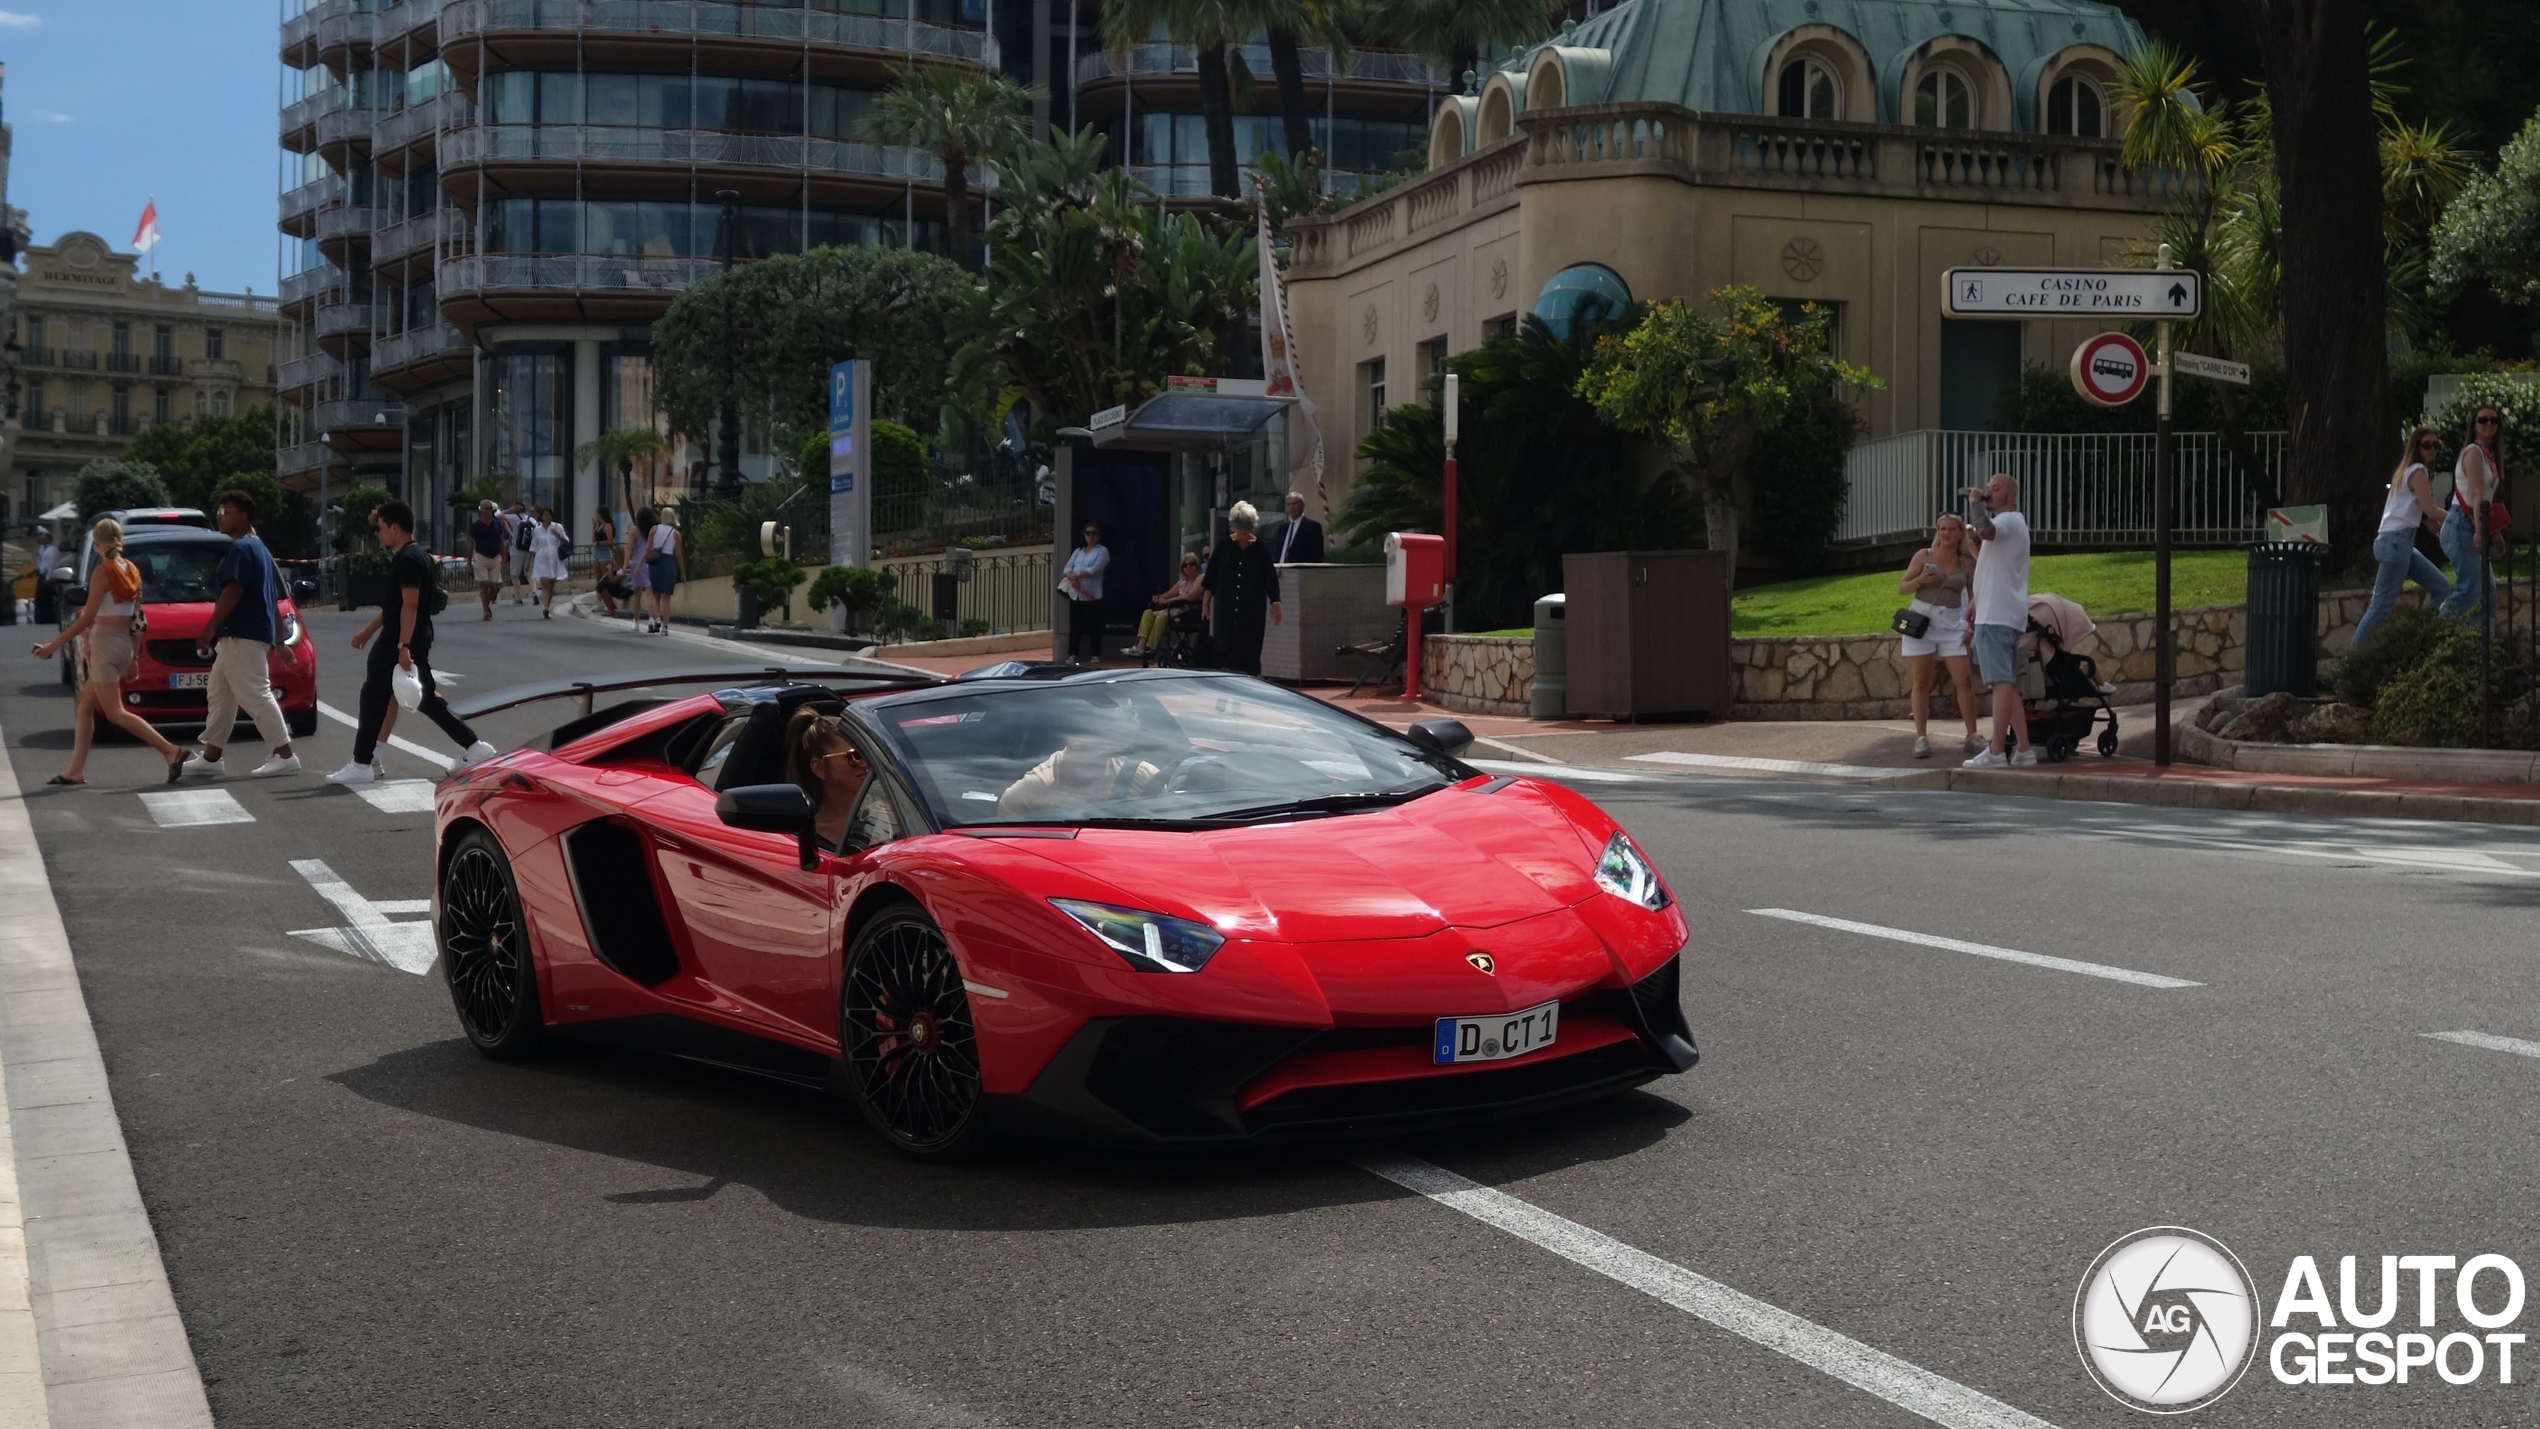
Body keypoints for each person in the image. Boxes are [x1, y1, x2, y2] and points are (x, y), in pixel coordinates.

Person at [330, 500, 498, 783]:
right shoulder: (418, 556)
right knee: (424, 698)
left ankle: (362, 764)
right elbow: (396, 605)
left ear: (395, 527)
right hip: (410, 637)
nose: (378, 534)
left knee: (374, 697)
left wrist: (402, 646)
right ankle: (475, 746)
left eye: (381, 528)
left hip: (401, 640)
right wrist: (369, 631)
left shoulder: (408, 559)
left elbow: (410, 605)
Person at [30, 517, 186, 785]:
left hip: (104, 644)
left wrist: (52, 646)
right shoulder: (132, 569)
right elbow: (138, 617)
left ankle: (170, 751)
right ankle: (74, 771)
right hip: (124, 644)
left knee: (115, 712)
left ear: (99, 543)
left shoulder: (103, 571)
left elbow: (86, 617)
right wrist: (134, 656)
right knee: (84, 705)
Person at [181, 490, 300, 779]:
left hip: (240, 635)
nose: (220, 516)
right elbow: (270, 598)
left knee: (256, 694)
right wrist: (279, 642)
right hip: (241, 636)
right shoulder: (259, 548)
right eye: (220, 511)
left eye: (227, 511)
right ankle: (211, 758)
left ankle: (285, 755)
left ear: (244, 516)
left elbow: (234, 590)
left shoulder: (241, 550)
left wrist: (209, 627)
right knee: (221, 695)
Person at [2354, 424, 2455, 650]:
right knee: (2380, 605)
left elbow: (2420, 515)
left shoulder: (2404, 472)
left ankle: (2422, 641)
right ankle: (2353, 662)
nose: (2432, 450)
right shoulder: (2418, 471)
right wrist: (2461, 518)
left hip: (2399, 543)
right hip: (2396, 543)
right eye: (2427, 445)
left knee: (2440, 587)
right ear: (2415, 447)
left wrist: (2434, 522)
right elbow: (2430, 509)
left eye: (2435, 445)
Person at [1963, 474, 2036, 769]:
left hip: (1997, 616)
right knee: (2005, 684)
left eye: (1996, 489)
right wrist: (1975, 601)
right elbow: (1993, 569)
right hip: (1998, 612)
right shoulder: (2013, 525)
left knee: (2001, 682)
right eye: (1988, 488)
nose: (1989, 492)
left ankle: (1995, 751)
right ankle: (2024, 749)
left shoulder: (2007, 521)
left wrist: (1975, 504)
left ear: (2010, 496)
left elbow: (1984, 530)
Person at [1896, 512, 1981, 760]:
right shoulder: (1925, 555)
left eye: (1952, 530)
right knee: (1921, 681)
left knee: (1963, 679)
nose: (1946, 534)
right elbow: (1902, 587)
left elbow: (1976, 594)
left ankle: (1972, 735)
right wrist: (1920, 580)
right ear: (1938, 532)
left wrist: (1970, 626)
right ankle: (1921, 737)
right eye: (1942, 529)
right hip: (1923, 622)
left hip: (1953, 623)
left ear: (1960, 534)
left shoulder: (1967, 562)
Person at [1203, 501, 1282, 676]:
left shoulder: (1260, 550)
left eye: (1246, 532)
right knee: (1224, 651)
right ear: (1233, 529)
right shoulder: (1223, 547)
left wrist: (1275, 602)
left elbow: (1270, 578)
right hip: (1226, 609)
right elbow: (1211, 578)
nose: (1243, 536)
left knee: (1249, 652)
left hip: (1251, 611)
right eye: (1239, 532)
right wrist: (1205, 603)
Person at [2440, 405, 2502, 628]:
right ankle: (2435, 630)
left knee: (2488, 592)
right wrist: (2479, 530)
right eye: (2483, 420)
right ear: (2474, 425)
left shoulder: (2489, 455)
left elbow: (2486, 499)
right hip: (2462, 525)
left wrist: (2494, 532)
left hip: (2474, 523)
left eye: (2493, 420)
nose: (2488, 424)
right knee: (2470, 590)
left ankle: (2482, 649)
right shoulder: (2474, 452)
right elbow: (2476, 493)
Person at [785, 707, 871, 852]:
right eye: (854, 756)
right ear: (820, 768)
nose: (864, 763)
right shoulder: (805, 837)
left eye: (866, 753)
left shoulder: (892, 815)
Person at [1130, 552, 1205, 657]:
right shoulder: (1182, 581)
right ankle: (1141, 646)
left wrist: (1168, 601)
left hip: (1190, 611)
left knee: (1161, 617)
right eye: (1185, 565)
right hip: (1176, 609)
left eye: (1191, 564)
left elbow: (1190, 596)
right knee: (1148, 613)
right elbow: (1170, 593)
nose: (1188, 567)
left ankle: (1150, 648)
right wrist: (1160, 598)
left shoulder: (1201, 578)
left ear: (1197, 566)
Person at [1059, 522, 1110, 663]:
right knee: (1075, 626)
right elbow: (1067, 569)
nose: (1091, 536)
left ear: (1099, 536)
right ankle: (1073, 653)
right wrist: (1073, 578)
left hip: (1092, 595)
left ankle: (1095, 654)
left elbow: (1093, 570)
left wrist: (1075, 576)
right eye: (1088, 533)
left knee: (1094, 626)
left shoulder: (1102, 552)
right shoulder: (1078, 551)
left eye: (1094, 533)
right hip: (1075, 594)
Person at [640, 506, 682, 635]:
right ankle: (665, 627)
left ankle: (656, 618)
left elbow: (647, 548)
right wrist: (683, 572)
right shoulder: (675, 534)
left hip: (655, 564)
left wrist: (639, 564)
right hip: (668, 563)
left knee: (655, 594)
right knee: (666, 597)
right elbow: (679, 555)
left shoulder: (654, 529)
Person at [527, 504, 570, 618]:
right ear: (541, 516)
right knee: (545, 582)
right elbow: (533, 546)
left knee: (551, 584)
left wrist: (558, 535)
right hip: (542, 558)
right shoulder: (537, 530)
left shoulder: (557, 527)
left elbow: (565, 541)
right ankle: (545, 607)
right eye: (545, 515)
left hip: (554, 558)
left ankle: (547, 605)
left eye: (549, 515)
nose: (547, 517)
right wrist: (529, 561)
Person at [468, 499, 507, 621]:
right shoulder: (476, 526)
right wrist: (468, 562)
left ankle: (487, 603)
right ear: (481, 510)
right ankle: (485, 609)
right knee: (484, 583)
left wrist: (504, 558)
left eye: (491, 508)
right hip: (481, 556)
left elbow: (501, 541)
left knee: (494, 586)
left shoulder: (496, 524)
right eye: (486, 508)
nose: (489, 511)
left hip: (495, 557)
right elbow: (470, 544)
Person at [624, 507, 655, 626]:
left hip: (637, 563)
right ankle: (652, 618)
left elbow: (629, 548)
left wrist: (626, 563)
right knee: (650, 592)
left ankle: (636, 622)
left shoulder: (634, 531)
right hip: (650, 562)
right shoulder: (653, 530)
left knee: (637, 594)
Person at [1273, 491, 1324, 564]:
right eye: (1289, 504)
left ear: (1302, 505)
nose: (1291, 507)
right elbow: (1279, 552)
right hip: (1282, 570)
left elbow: (1317, 555)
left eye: (1294, 504)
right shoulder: (1283, 528)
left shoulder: (1312, 527)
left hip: (1301, 572)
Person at [31, 525, 56, 625]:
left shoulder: (52, 550)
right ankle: (40, 619)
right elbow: (42, 565)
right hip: (41, 577)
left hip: (47, 579)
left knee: (46, 601)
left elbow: (51, 566)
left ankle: (47, 619)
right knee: (39, 601)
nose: (38, 539)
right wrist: (34, 571)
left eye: (40, 536)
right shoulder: (42, 549)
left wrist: (48, 579)